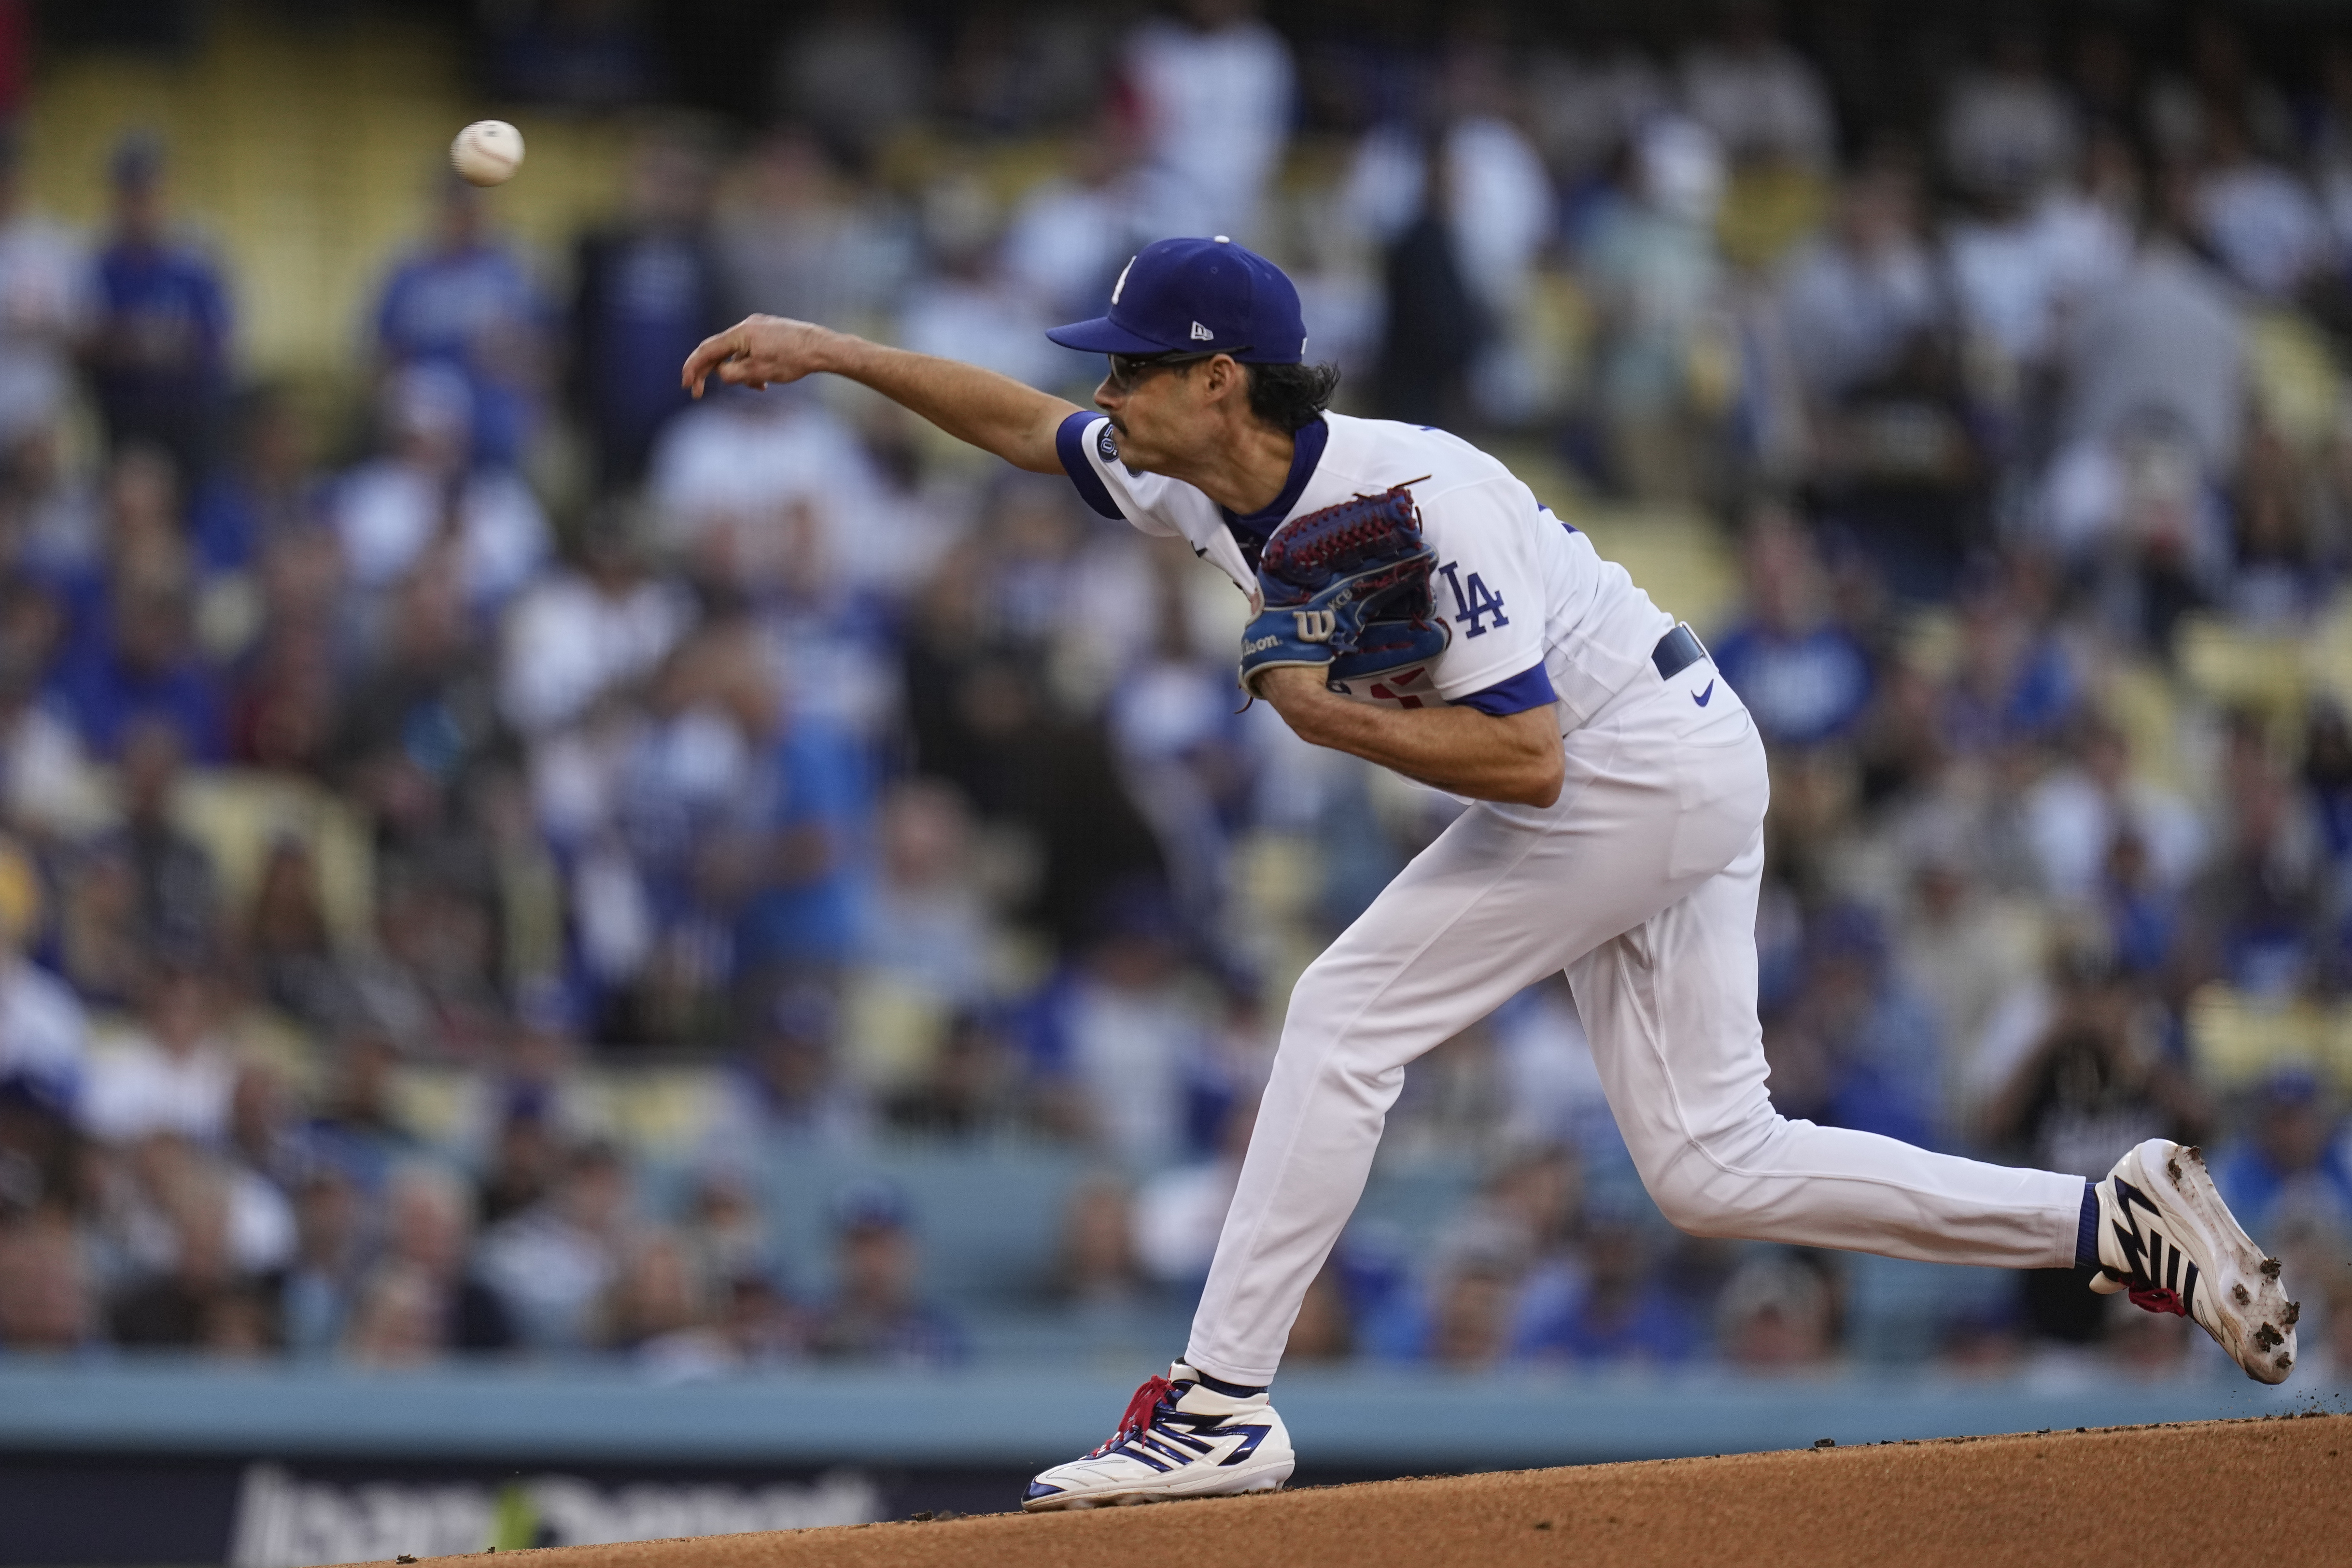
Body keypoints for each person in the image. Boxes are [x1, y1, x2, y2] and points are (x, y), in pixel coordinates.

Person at [679, 234, 2300, 1512]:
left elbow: (1530, 762)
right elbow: (1030, 432)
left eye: (1139, 371)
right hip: (1663, 757)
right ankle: (2109, 1219)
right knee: (1712, 1167)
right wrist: (834, 354)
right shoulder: (1194, 472)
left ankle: (1218, 1405)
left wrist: (1324, 721)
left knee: (1342, 1012)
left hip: (1633, 764)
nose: (1111, 397)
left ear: (1221, 379)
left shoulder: (1412, 497)